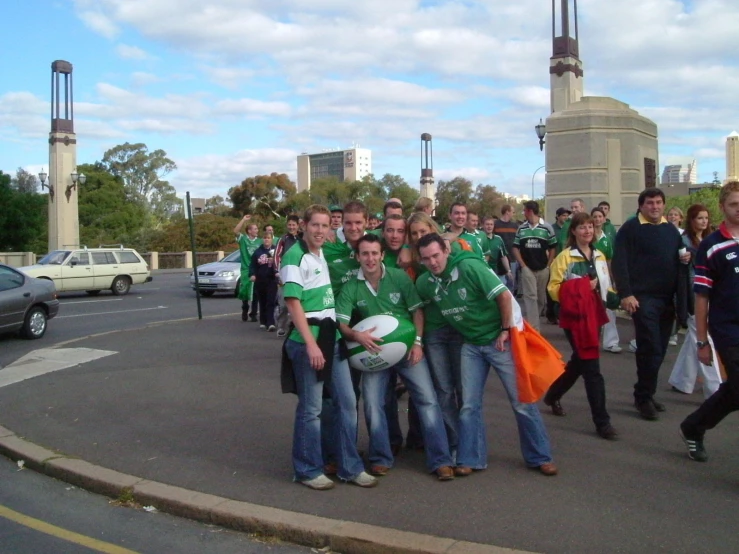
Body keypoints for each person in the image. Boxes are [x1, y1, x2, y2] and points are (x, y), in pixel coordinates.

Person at [416, 233, 558, 477]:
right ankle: (471, 458)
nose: (433, 262)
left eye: (436, 256)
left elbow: (503, 294)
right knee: (469, 405)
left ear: (446, 251)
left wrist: (504, 329)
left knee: (521, 401)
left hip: (498, 341)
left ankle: (540, 456)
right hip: (470, 345)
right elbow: (417, 309)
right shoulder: (425, 283)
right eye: (426, 259)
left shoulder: (469, 267)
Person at [335, 234, 455, 481]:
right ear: (358, 257)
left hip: (408, 347)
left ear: (381, 255)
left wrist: (418, 343)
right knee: (372, 401)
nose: (370, 258)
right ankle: (380, 457)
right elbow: (343, 325)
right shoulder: (351, 286)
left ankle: (440, 460)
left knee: (427, 399)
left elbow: (417, 311)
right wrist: (356, 336)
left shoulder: (398, 277)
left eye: (374, 253)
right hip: (374, 351)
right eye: (365, 254)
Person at [280, 205, 377, 490]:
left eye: (324, 226)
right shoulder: (294, 256)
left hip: (331, 338)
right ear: (304, 225)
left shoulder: (320, 254)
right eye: (315, 225)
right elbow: (293, 303)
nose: (320, 231)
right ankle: (308, 469)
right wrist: (311, 344)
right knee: (311, 409)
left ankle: (349, 466)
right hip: (309, 339)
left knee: (347, 402)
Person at [612, 187, 690, 421]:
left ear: (664, 204)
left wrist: (686, 259)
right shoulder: (631, 228)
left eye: (658, 202)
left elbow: (679, 259)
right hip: (642, 299)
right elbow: (620, 262)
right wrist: (626, 294)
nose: (655, 207)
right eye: (649, 203)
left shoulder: (671, 231)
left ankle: (647, 392)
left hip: (667, 300)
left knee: (660, 350)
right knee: (650, 348)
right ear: (641, 206)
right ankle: (643, 398)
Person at [545, 212, 620, 439]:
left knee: (581, 361)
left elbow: (606, 284)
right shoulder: (565, 258)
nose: (587, 231)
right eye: (582, 227)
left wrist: (616, 297)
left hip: (594, 316)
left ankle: (553, 394)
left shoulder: (599, 255)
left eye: (590, 226)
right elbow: (553, 289)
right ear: (574, 231)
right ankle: (602, 422)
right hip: (574, 318)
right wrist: (580, 289)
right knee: (592, 370)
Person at [679, 182, 739, 462]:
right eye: (734, 205)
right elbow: (701, 297)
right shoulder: (712, 245)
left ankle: (693, 426)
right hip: (728, 329)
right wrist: (702, 341)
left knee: (735, 391)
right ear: (722, 207)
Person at [406, 212, 463, 456]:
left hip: (459, 327)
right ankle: (450, 444)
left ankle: (467, 444)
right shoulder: (410, 260)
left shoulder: (451, 250)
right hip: (432, 332)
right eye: (415, 233)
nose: (420, 237)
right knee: (442, 390)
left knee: (464, 389)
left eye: (423, 231)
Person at [668, 204, 722, 398]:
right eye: (700, 218)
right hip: (691, 292)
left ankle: (681, 380)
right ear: (691, 220)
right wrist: (684, 259)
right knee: (702, 338)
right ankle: (714, 389)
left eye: (706, 218)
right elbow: (676, 265)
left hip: (709, 290)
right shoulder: (683, 240)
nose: (704, 221)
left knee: (694, 338)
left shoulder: (710, 240)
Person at [511, 201, 557, 331]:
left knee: (540, 298)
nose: (523, 213)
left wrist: (549, 265)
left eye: (524, 210)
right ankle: (534, 329)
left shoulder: (547, 227)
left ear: (530, 211)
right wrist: (523, 265)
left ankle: (534, 322)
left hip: (543, 268)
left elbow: (553, 247)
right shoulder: (522, 228)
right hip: (527, 269)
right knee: (530, 297)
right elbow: (515, 247)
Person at [592, 207, 621, 354]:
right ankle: (590, 341)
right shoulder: (587, 236)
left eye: (600, 217)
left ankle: (611, 342)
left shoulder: (606, 239)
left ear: (604, 219)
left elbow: (609, 261)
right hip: (589, 278)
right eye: (595, 217)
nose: (597, 219)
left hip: (604, 278)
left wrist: (612, 279)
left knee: (610, 308)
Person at [274, 215, 302, 337]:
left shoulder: (302, 238)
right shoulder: (283, 239)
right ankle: (281, 327)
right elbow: (276, 256)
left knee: (300, 303)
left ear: (298, 225)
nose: (291, 227)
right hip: (284, 276)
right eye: (289, 225)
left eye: (293, 224)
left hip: (300, 275)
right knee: (284, 304)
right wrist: (277, 272)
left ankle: (298, 327)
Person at [234, 215, 262, 322]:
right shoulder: (243, 239)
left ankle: (254, 313)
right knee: (245, 291)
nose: (257, 230)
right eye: (254, 229)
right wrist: (243, 220)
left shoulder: (260, 241)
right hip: (246, 269)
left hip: (256, 269)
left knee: (255, 292)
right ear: (249, 231)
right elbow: (235, 231)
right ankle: (244, 309)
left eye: (257, 229)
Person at [249, 232, 279, 331]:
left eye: (268, 238)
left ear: (272, 239)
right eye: (265, 238)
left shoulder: (275, 251)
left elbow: (280, 262)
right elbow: (253, 265)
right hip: (260, 279)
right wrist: (252, 274)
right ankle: (263, 321)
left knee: (271, 301)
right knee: (262, 301)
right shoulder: (258, 252)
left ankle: (271, 323)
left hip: (271, 279)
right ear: (262, 239)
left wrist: (275, 267)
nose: (266, 240)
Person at [493, 205, 520, 294]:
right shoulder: (495, 224)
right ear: (507, 211)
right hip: (498, 259)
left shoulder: (514, 225)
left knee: (511, 283)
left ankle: (511, 304)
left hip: (512, 258)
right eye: (512, 211)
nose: (513, 213)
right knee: (499, 283)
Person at [481, 215, 512, 288]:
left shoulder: (498, 239)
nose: (489, 226)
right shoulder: (478, 238)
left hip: (495, 272)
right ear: (483, 225)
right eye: (487, 224)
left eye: (491, 224)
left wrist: (508, 270)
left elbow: (503, 256)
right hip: (482, 272)